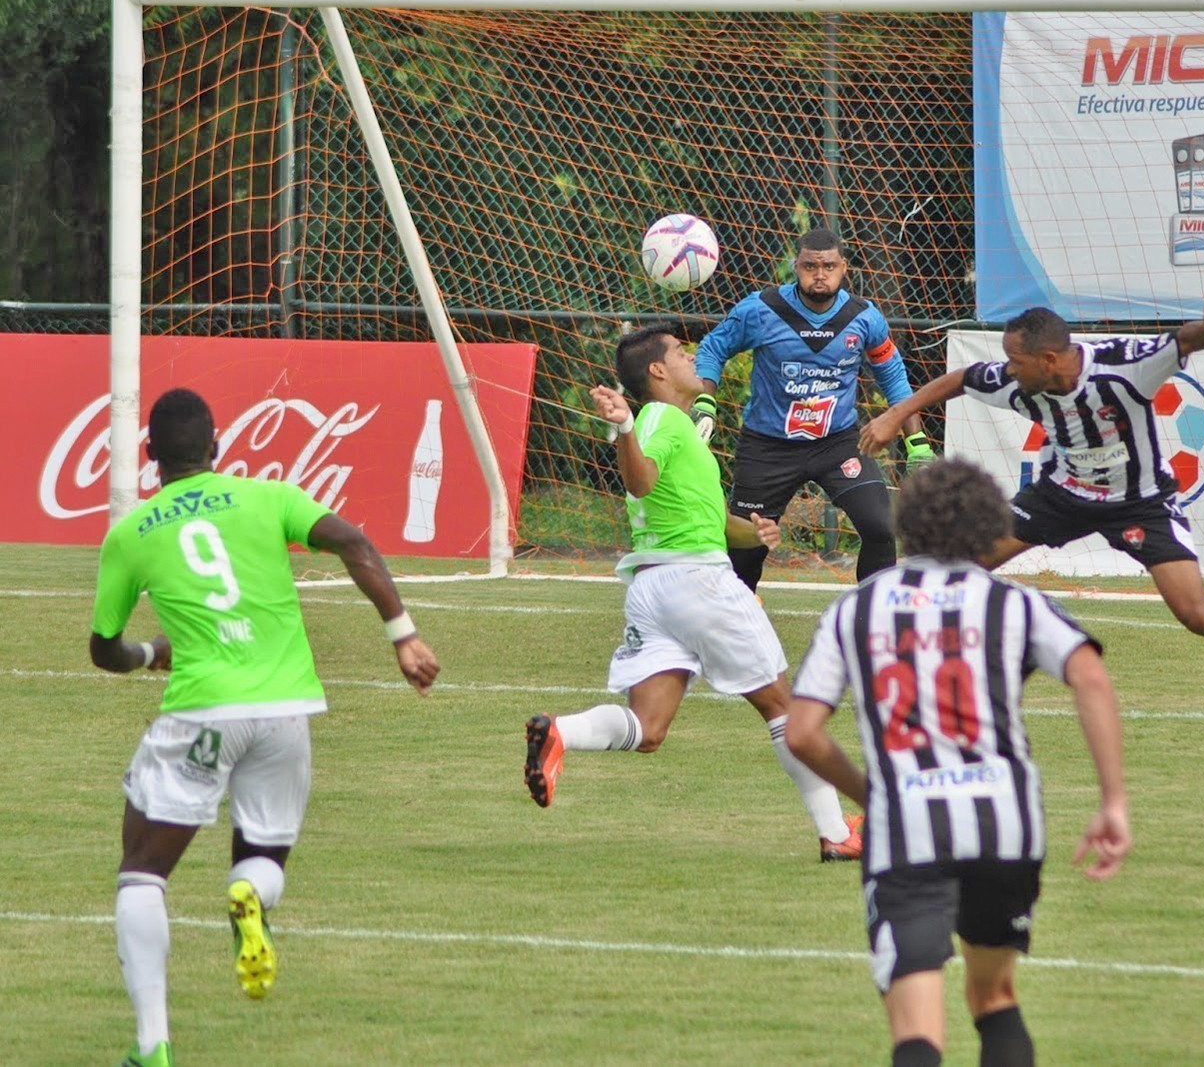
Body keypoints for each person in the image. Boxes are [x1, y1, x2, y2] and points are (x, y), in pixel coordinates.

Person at [91, 388, 440, 1067]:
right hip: (286, 711)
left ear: (150, 456)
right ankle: (248, 895)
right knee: (263, 853)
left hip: (203, 709)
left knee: (142, 871)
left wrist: (146, 654)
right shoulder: (266, 495)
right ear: (217, 445)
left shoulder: (131, 531)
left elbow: (104, 648)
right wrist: (403, 635)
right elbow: (352, 540)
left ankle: (151, 1045)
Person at [859, 285, 1204, 758]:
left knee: (1196, 614)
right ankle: (908, 673)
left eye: (1017, 362)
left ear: (1051, 359)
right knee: (959, 566)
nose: (1008, 371)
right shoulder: (1019, 382)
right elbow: (962, 378)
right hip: (1063, 494)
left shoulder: (1122, 366)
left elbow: (1181, 342)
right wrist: (898, 414)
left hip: (1139, 502)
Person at [784, 458, 1131, 1067]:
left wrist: (872, 795)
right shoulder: (1014, 603)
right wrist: (1113, 801)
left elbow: (804, 732)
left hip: (908, 831)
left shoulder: (855, 608)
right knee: (994, 996)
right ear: (989, 526)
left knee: (918, 1028)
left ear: (908, 523)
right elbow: (1090, 676)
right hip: (1004, 822)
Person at [523, 326, 863, 862]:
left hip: (653, 588)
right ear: (658, 371)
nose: (690, 359)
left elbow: (709, 520)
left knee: (649, 729)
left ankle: (559, 733)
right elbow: (642, 481)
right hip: (697, 584)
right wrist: (627, 430)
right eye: (681, 353)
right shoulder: (660, 418)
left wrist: (757, 532)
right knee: (784, 709)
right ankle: (839, 835)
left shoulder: (680, 429)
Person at [692, 227, 934, 594]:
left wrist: (916, 441)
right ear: (795, 266)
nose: (819, 274)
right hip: (767, 448)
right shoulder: (760, 309)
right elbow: (712, 348)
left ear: (844, 268)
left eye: (829, 266)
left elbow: (895, 380)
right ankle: (731, 628)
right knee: (746, 548)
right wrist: (705, 401)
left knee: (880, 527)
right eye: (810, 266)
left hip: (837, 444)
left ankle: (874, 620)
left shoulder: (865, 318)